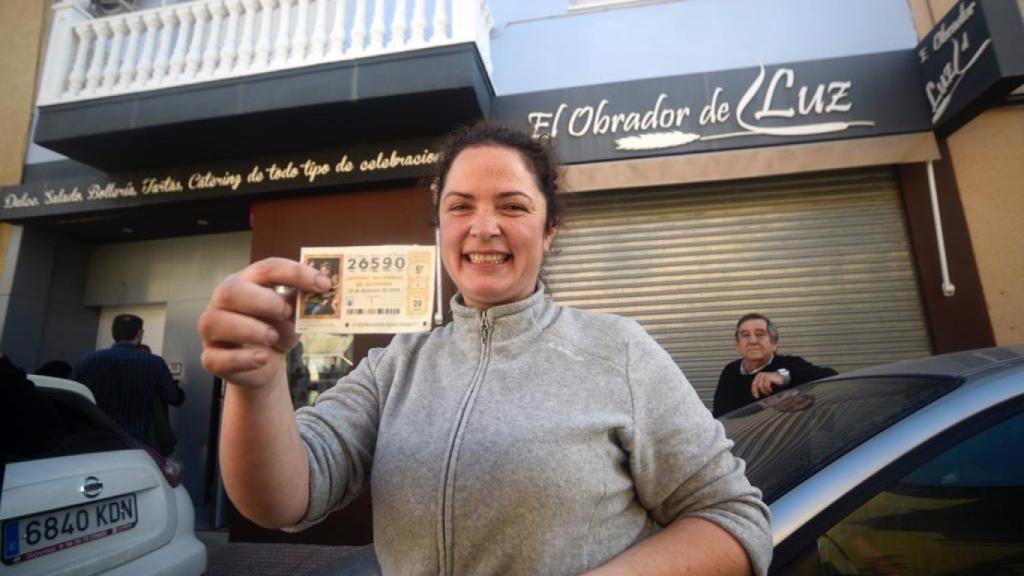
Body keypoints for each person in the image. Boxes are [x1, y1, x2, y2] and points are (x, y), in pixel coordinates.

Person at [198, 123, 772, 575]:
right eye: (461, 205)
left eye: (513, 206)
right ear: (440, 225)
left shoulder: (618, 350)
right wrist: (258, 384)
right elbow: (282, 500)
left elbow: (732, 520)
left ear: (549, 231)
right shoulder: (395, 367)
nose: (484, 226)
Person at [72, 314, 184, 449]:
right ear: (139, 334)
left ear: (113, 333)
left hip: (94, 441)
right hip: (137, 442)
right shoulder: (155, 363)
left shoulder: (87, 360)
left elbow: (72, 397)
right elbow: (172, 397)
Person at [712, 313, 837, 417]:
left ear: (774, 343)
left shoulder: (789, 364)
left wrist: (784, 376)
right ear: (738, 345)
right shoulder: (730, 371)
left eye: (760, 334)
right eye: (745, 335)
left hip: (786, 443)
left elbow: (831, 376)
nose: (752, 341)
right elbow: (720, 414)